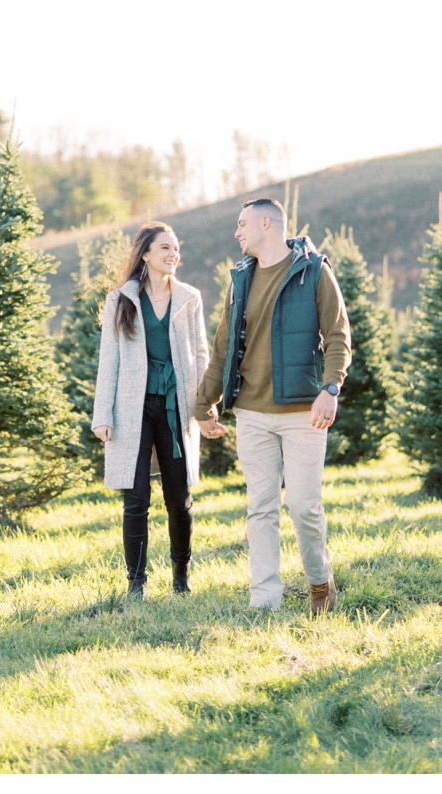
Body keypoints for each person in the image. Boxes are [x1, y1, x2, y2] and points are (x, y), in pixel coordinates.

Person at [196, 198, 352, 615]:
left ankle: (320, 582)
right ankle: (264, 599)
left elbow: (338, 336)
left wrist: (330, 389)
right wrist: (203, 405)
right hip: (252, 413)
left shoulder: (315, 271)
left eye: (243, 223)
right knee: (260, 508)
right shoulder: (241, 279)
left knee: (303, 506)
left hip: (304, 413)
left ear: (267, 223)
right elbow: (223, 348)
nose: (237, 232)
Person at [91, 222, 219, 600]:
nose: (172, 254)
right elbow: (108, 358)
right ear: (145, 254)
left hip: (175, 406)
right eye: (165, 248)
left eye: (176, 248)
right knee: (135, 499)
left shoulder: (189, 297)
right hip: (133, 407)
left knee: (179, 497)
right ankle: (136, 582)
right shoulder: (122, 299)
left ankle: (181, 577)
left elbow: (200, 354)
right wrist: (103, 414)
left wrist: (204, 407)